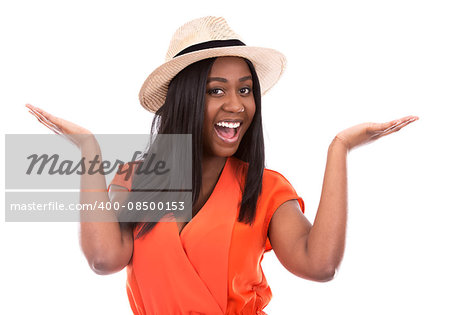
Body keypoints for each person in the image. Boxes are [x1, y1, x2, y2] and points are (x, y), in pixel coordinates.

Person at [26, 16, 418, 315]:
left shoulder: (266, 188)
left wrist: (340, 148)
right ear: (185, 99)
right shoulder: (137, 180)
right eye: (217, 90)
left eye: (245, 89)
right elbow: (104, 259)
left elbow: (320, 266)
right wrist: (89, 152)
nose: (237, 105)